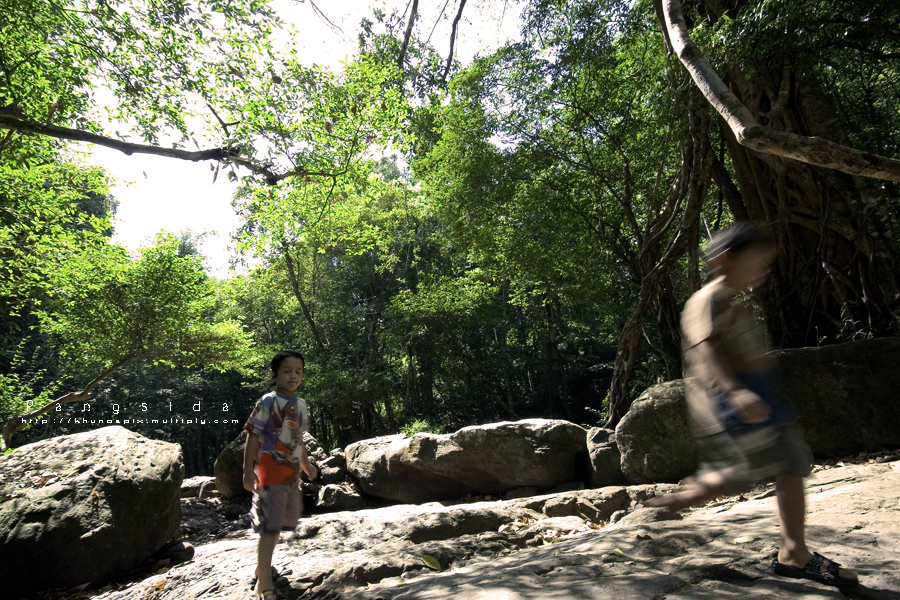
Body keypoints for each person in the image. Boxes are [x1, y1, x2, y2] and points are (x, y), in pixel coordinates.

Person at [644, 222, 858, 588]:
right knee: (743, 474)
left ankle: (792, 551)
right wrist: (735, 392)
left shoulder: (736, 299)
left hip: (759, 396)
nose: (764, 270)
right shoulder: (707, 300)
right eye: (758, 261)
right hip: (732, 402)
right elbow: (706, 350)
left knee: (790, 460)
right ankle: (687, 497)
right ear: (727, 259)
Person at [243, 350, 318, 600]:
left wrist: (306, 465)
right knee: (271, 525)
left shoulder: (301, 404)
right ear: (274, 375)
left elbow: (298, 440)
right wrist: (247, 471)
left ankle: (261, 569)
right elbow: (253, 436)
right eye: (287, 371)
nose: (293, 376)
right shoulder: (268, 401)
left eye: (298, 372)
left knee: (277, 525)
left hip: (289, 474)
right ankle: (263, 585)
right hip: (269, 470)